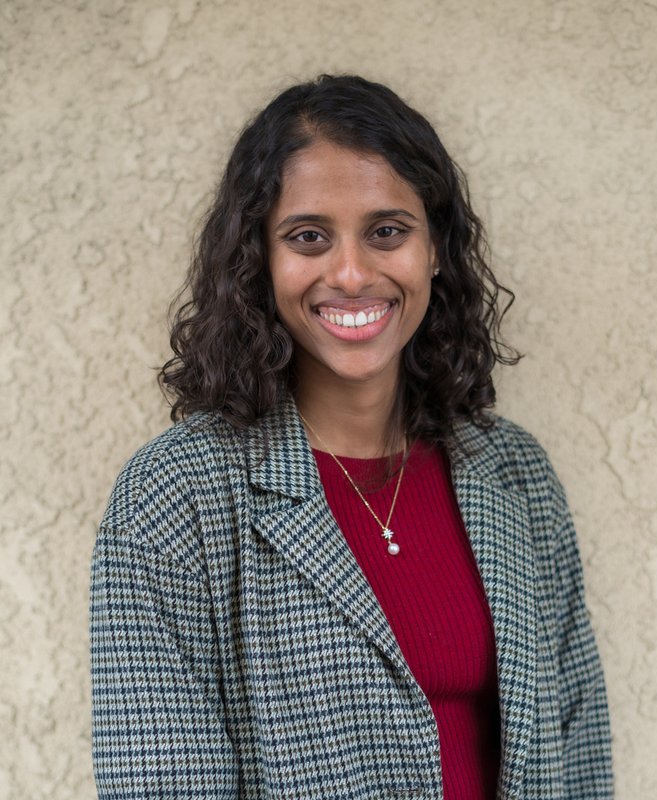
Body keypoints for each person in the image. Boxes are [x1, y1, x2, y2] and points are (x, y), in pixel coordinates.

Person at [90, 75, 613, 800]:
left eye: (387, 231)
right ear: (258, 261)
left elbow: (578, 750)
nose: (351, 273)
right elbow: (162, 782)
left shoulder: (515, 474)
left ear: (434, 249)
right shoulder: (176, 496)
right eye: (308, 237)